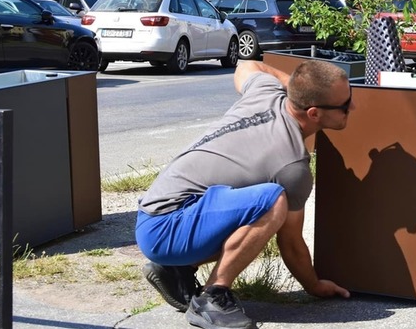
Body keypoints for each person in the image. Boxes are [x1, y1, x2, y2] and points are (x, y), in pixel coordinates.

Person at [135, 59, 352, 329]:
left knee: (254, 210)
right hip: (164, 229)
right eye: (344, 105)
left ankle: (175, 269)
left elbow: (247, 65)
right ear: (314, 114)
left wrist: (297, 87)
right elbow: (292, 244)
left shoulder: (266, 91)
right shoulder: (292, 167)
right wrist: (315, 285)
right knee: (272, 202)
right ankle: (213, 297)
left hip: (156, 216)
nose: (351, 107)